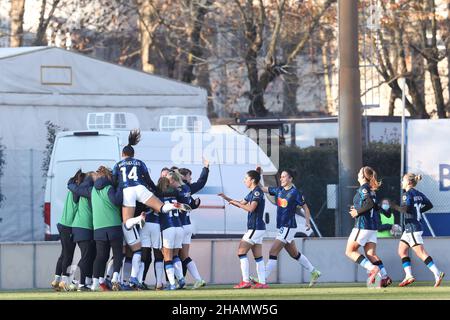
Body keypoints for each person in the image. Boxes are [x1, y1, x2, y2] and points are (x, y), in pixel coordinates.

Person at [111, 130, 189, 289]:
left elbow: (114, 181)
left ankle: (138, 219)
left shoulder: (117, 165)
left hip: (127, 191)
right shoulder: (140, 163)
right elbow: (147, 179)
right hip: (140, 189)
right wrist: (155, 191)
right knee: (160, 206)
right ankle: (170, 206)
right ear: (133, 153)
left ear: (122, 154)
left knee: (127, 223)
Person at [259, 168, 321, 287]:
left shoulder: (295, 193)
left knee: (273, 251)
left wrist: (307, 222)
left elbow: (306, 208)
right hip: (282, 227)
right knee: (294, 254)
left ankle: (262, 280)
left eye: (284, 176)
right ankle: (314, 272)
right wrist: (258, 175)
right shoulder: (279, 190)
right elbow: (262, 188)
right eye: (281, 177)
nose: (281, 179)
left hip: (288, 227)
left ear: (290, 179)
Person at [391, 173, 445, 287]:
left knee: (421, 253)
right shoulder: (419, 194)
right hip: (410, 228)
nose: (402, 182)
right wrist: (419, 211)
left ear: (409, 182)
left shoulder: (407, 195)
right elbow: (429, 205)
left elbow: (406, 208)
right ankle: (409, 275)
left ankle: (437, 272)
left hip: (413, 228)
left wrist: (394, 206)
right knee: (402, 251)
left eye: (403, 180)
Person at [218, 170, 268, 289]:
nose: (244, 180)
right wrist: (226, 198)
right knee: (258, 257)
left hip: (255, 228)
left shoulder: (256, 193)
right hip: (258, 228)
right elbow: (241, 202)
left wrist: (239, 205)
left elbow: (251, 208)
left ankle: (246, 281)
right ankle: (262, 283)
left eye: (246, 178)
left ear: (252, 180)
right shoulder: (252, 193)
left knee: (241, 252)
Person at [345, 166, 392, 287]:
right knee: (370, 254)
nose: (358, 173)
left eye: (359, 171)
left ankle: (372, 269)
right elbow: (374, 206)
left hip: (363, 226)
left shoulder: (364, 188)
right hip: (372, 228)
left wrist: (357, 212)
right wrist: (358, 209)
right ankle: (385, 277)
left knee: (350, 251)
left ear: (363, 176)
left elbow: (370, 204)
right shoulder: (371, 189)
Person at [169, 165, 208, 289]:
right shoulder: (186, 188)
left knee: (174, 255)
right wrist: (195, 204)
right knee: (184, 256)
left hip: (179, 226)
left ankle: (178, 281)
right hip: (188, 225)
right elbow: (190, 204)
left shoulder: (176, 190)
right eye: (189, 176)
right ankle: (198, 279)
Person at [90, 166, 124, 292]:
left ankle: (95, 283)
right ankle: (115, 277)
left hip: (98, 228)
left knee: (100, 257)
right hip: (113, 225)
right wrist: (120, 186)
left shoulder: (92, 190)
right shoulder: (109, 188)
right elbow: (117, 200)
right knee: (117, 254)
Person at [51, 169, 84, 291]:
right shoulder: (77, 193)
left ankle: (56, 279)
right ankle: (64, 281)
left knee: (64, 253)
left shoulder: (72, 190)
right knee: (68, 255)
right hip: (69, 226)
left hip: (62, 224)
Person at [67, 171, 97, 291]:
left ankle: (78, 280)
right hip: (83, 227)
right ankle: (79, 282)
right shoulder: (89, 190)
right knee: (86, 256)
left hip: (82, 227)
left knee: (88, 255)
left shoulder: (81, 189)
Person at [155, 176, 186, 290]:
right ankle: (181, 279)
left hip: (168, 227)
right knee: (175, 255)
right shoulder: (175, 196)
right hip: (179, 227)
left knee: (167, 257)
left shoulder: (158, 197)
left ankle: (172, 284)